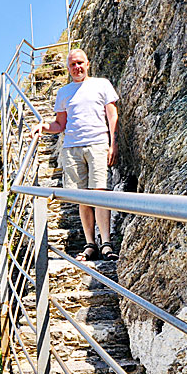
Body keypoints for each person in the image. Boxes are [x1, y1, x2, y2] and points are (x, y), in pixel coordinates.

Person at [32, 49, 119, 261]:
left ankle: (106, 243)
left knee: (99, 193)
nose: (77, 67)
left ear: (87, 63)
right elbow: (60, 124)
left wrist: (113, 144)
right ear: (68, 68)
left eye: (80, 63)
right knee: (82, 198)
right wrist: (43, 126)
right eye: (72, 65)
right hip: (72, 148)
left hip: (98, 143)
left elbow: (112, 114)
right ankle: (90, 245)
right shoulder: (64, 92)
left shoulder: (102, 84)